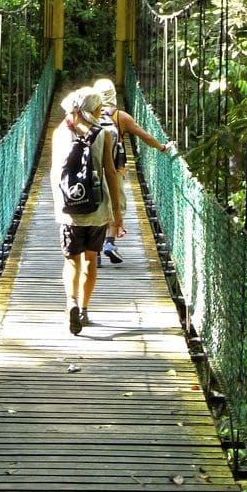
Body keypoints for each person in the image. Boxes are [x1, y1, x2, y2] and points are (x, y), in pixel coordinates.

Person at [49, 86, 123, 334]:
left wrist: (59, 206)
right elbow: (111, 173)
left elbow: (55, 173)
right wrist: (117, 213)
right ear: (94, 109)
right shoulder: (104, 134)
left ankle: (71, 301)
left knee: (71, 261)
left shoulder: (60, 133)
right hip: (98, 209)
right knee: (91, 259)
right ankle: (83, 309)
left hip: (70, 208)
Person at [93, 78, 173, 265]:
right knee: (116, 205)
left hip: (92, 171)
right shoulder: (121, 117)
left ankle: (94, 250)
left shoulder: (89, 116)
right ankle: (110, 243)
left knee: (96, 207)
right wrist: (162, 147)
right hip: (115, 169)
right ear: (113, 94)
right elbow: (144, 135)